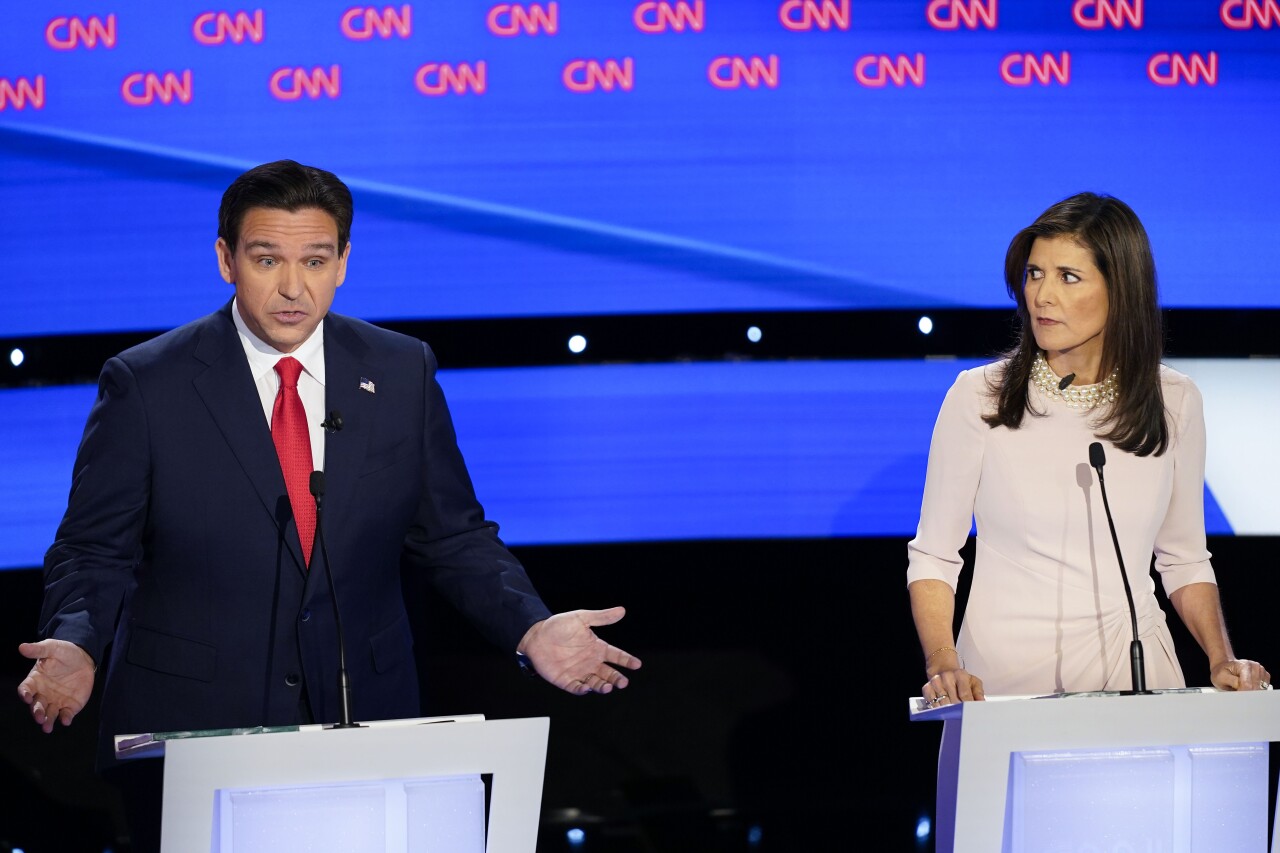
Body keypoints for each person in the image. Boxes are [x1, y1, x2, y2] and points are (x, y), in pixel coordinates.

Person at [16, 160, 641, 847]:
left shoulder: (402, 369)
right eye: (266, 259)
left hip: (362, 721)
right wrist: (77, 638)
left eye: (315, 260)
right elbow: (92, 547)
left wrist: (529, 626)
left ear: (343, 261)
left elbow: (454, 536)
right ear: (226, 259)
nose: (292, 287)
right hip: (192, 732)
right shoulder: (147, 383)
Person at [906, 192, 1268, 706]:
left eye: (1067, 277)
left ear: (1121, 289)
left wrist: (1220, 659)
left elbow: (1184, 559)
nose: (1041, 296)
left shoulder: (1175, 400)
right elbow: (935, 555)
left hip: (1137, 675)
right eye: (1034, 274)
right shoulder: (978, 395)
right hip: (1003, 686)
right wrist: (944, 664)